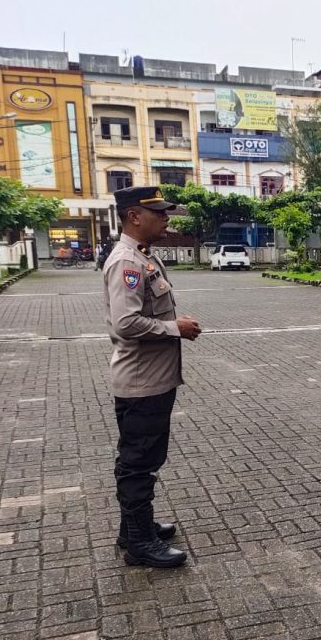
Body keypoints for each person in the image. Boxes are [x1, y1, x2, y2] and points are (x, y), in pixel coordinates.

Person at [103, 186, 203, 568]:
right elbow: (126, 322)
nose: (165, 219)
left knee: (140, 458)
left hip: (152, 379)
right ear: (134, 217)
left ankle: (134, 528)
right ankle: (140, 544)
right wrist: (173, 328)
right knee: (138, 462)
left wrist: (170, 324)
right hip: (142, 381)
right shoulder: (127, 261)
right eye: (159, 213)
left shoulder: (142, 257)